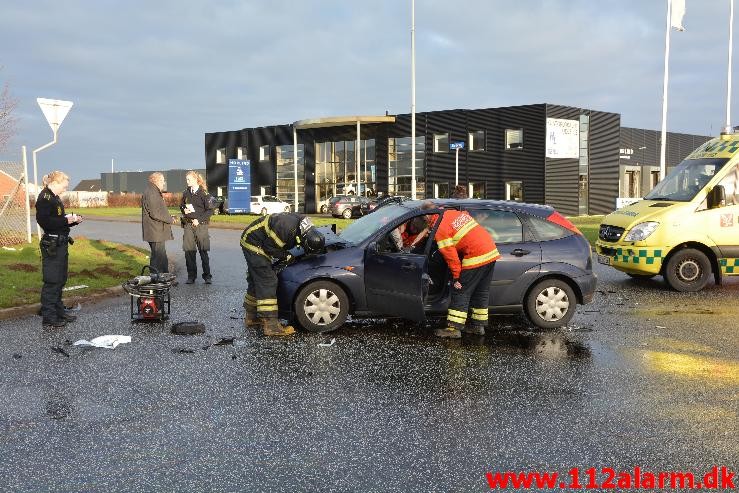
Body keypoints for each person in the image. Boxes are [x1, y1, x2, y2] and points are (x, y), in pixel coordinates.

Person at [421, 201, 500, 338]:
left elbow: (450, 256)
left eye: (424, 219)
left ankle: (454, 329)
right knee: (480, 291)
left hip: (476, 254)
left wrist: (457, 277)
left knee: (460, 291)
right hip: (490, 251)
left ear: (428, 216)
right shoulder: (453, 213)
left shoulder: (440, 228)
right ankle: (477, 326)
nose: (425, 222)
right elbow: (466, 218)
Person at [241, 213, 325, 336]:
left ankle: (251, 317)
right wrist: (286, 256)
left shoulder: (306, 227)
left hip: (258, 240)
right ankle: (271, 325)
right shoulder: (285, 228)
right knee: (268, 280)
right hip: (254, 244)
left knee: (256, 279)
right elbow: (269, 248)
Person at [35, 171, 83, 328]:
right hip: (52, 244)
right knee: (52, 280)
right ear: (55, 183)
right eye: (64, 185)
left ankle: (59, 311)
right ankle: (49, 316)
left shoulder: (54, 198)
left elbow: (58, 221)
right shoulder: (45, 198)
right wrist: (65, 219)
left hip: (60, 243)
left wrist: (73, 221)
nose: (65, 188)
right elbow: (45, 222)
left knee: (60, 279)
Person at [180, 171, 214, 284]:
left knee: (203, 251)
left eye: (189, 179)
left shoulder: (204, 193)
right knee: (189, 252)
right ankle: (191, 276)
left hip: (201, 226)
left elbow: (210, 210)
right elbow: (181, 205)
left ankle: (207, 276)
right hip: (188, 225)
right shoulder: (185, 193)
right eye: (186, 179)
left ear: (196, 179)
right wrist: (184, 209)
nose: (187, 181)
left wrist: (198, 220)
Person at [142, 172, 177, 274]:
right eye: (162, 181)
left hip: (156, 231)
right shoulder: (152, 192)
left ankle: (165, 277)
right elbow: (155, 213)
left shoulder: (153, 190)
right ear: (156, 180)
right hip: (155, 231)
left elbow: (158, 211)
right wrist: (170, 220)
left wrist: (169, 217)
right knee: (157, 258)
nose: (163, 183)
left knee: (161, 255)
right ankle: (154, 280)